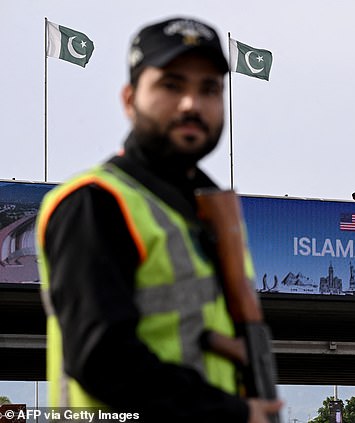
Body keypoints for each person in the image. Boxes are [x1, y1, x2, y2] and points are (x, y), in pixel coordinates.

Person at [36, 16, 283, 422]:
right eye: (172, 85)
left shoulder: (203, 216)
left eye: (209, 89)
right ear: (130, 99)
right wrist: (232, 412)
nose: (192, 104)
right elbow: (103, 359)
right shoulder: (95, 203)